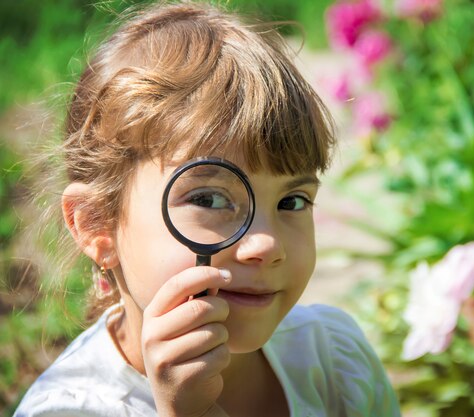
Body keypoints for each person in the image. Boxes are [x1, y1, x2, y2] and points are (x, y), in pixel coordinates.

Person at [14, 1, 401, 416]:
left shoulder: (333, 360)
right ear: (96, 224)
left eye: (292, 201)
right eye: (209, 199)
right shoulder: (70, 410)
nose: (267, 244)